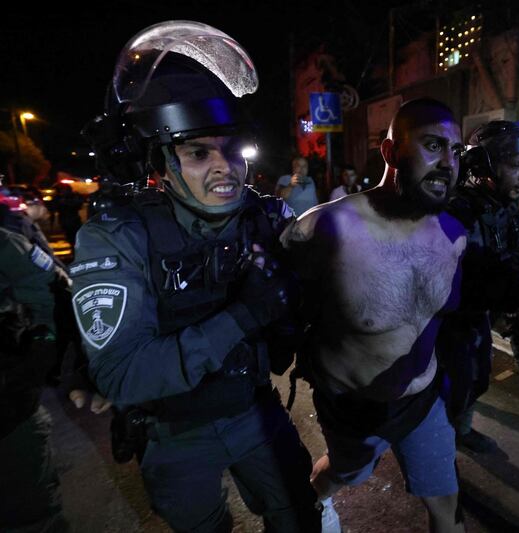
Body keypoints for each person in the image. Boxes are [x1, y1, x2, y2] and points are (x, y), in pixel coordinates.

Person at [76, 21, 321, 532]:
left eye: (232, 149)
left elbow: (332, 247)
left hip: (256, 409)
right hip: (173, 431)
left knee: (300, 513)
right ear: (162, 164)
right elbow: (123, 374)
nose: (224, 167)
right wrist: (244, 315)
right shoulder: (119, 237)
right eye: (197, 152)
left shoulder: (263, 215)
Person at [283, 98, 467, 533]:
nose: (448, 162)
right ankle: (318, 500)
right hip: (353, 408)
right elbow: (276, 309)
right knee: (342, 475)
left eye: (456, 151)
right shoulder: (326, 229)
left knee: (446, 503)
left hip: (422, 402)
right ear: (390, 153)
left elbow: (445, 319)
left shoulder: (454, 236)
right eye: (433, 145)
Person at [441, 120, 519, 453]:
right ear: (485, 166)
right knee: (456, 384)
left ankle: (461, 430)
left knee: (477, 379)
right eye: (515, 164)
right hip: (453, 326)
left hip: (480, 318)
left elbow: (515, 260)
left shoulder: (503, 208)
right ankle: (439, 449)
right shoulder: (457, 213)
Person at [0, 226, 70, 532]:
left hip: (9, 413)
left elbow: (54, 292)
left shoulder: (6, 243)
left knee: (33, 520)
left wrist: (39, 357)